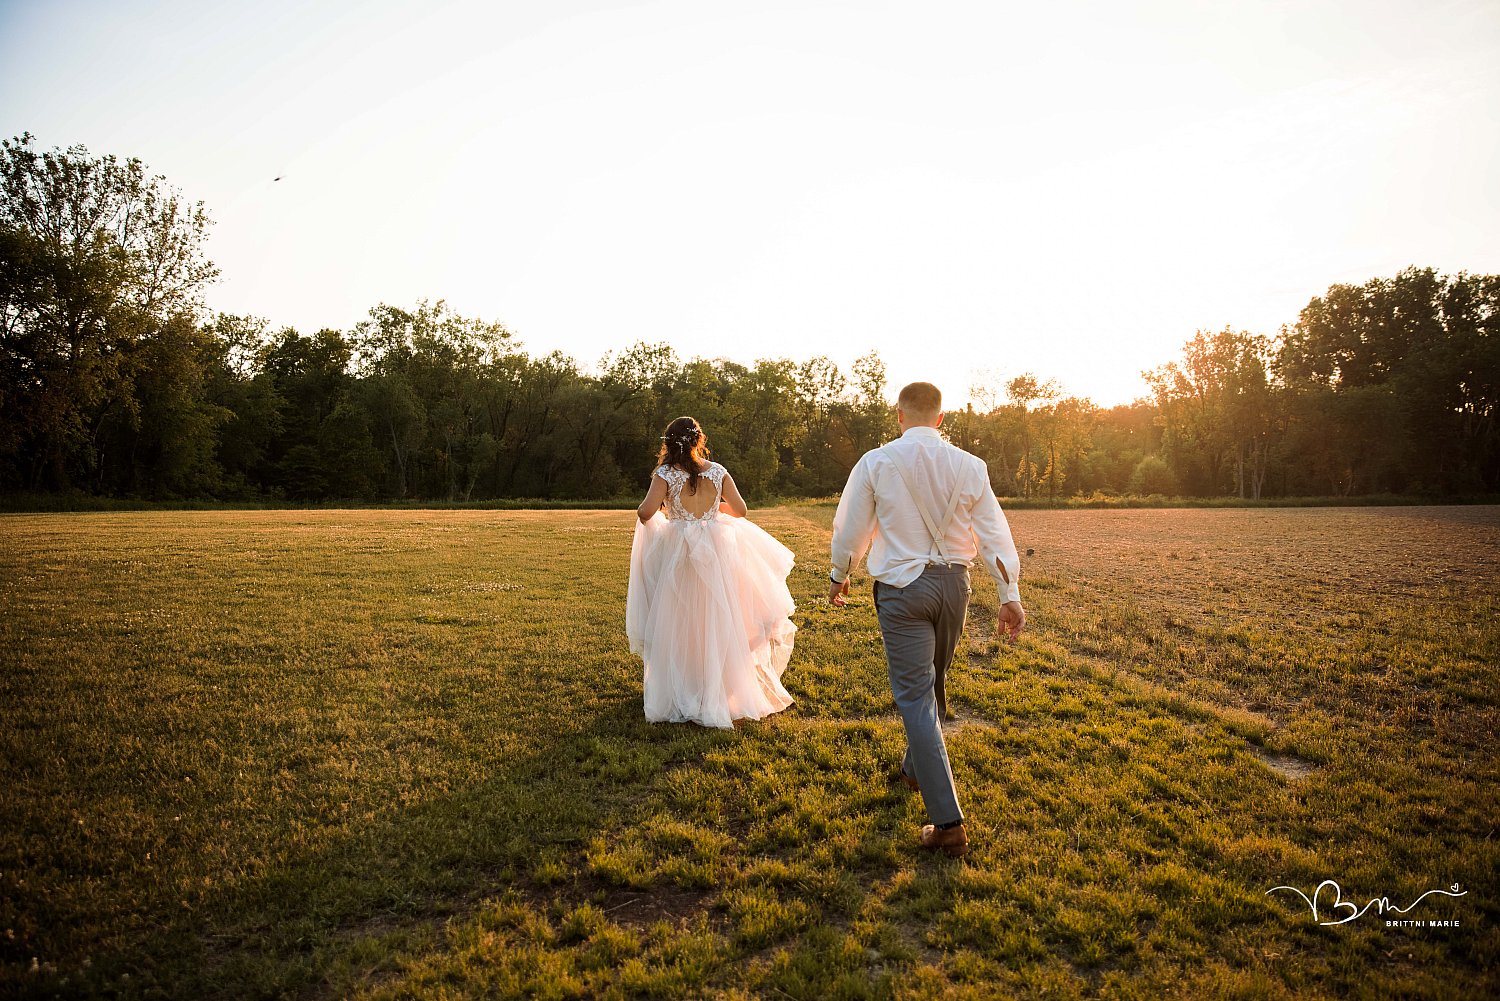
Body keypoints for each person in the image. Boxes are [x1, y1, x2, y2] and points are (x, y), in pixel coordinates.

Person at [828, 382, 1026, 857]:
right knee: (931, 686)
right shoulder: (970, 465)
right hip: (955, 587)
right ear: (941, 418)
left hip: (902, 591)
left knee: (916, 697)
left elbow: (852, 526)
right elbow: (995, 533)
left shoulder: (876, 461)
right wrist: (1010, 593)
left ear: (899, 416)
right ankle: (914, 769)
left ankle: (949, 824)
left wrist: (841, 573)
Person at [626, 416, 797, 728]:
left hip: (680, 551)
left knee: (681, 616)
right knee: (719, 613)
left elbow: (645, 512)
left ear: (669, 442)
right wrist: (712, 510)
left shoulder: (665, 474)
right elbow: (741, 510)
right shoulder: (717, 471)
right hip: (716, 550)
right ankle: (717, 685)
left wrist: (672, 511)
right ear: (697, 440)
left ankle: (685, 684)